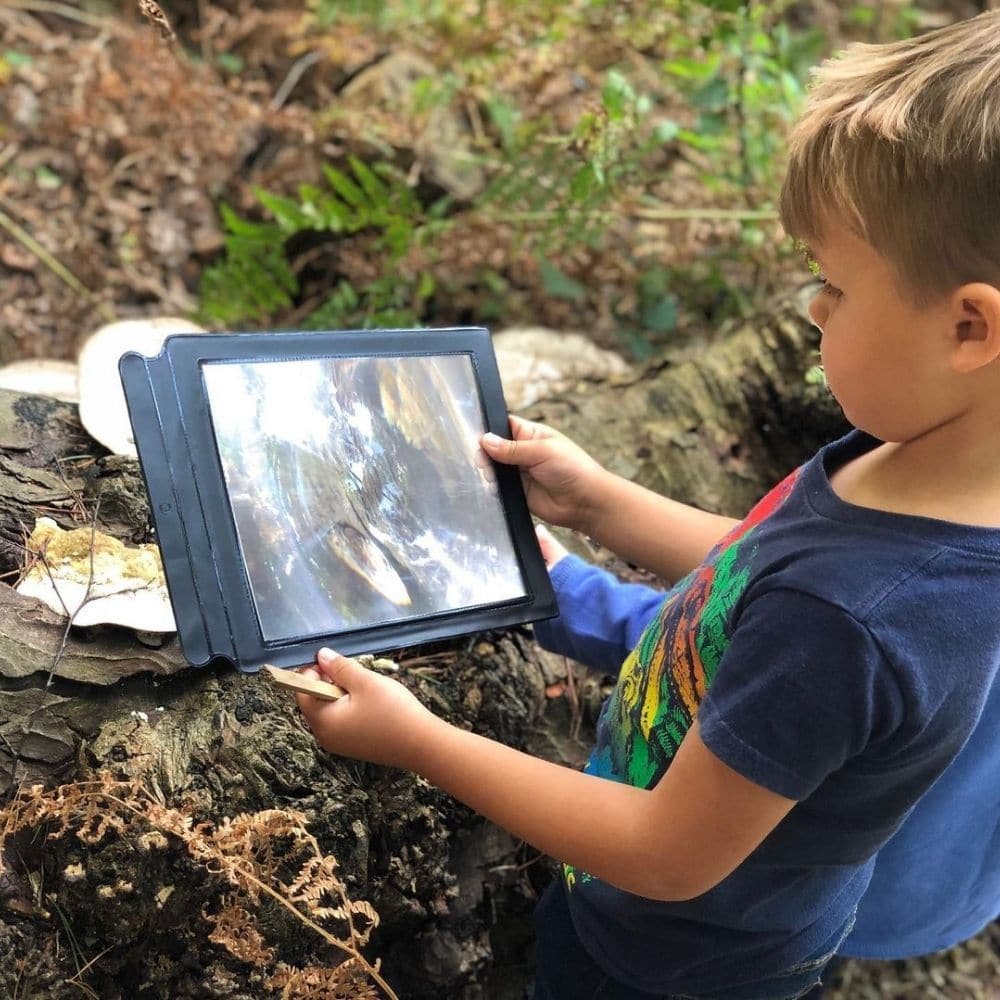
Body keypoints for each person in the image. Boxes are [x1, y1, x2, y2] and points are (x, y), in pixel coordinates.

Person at [294, 12, 1000, 999]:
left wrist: (414, 738)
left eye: (832, 284)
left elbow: (667, 853)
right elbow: (759, 570)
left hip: (668, 962)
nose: (811, 310)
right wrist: (599, 505)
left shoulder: (854, 622)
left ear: (969, 326)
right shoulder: (923, 472)